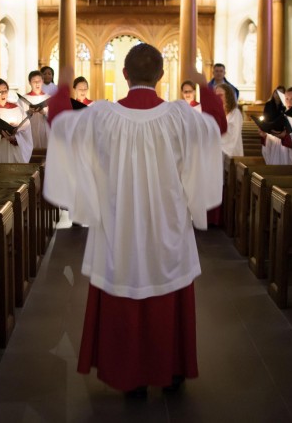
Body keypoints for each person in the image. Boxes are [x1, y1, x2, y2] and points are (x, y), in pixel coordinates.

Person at [44, 43, 227, 397]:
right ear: (161, 76)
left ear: (124, 75)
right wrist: (204, 86)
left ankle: (131, 377)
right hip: (167, 224)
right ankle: (172, 371)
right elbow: (216, 125)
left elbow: (60, 124)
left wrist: (63, 87)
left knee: (122, 285)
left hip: (119, 223)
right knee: (169, 287)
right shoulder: (180, 115)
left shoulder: (101, 115)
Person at [0, 78, 33, 163]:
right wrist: (0, 133)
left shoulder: (18, 109)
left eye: (5, 91)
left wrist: (15, 137)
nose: (3, 94)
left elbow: (26, 130)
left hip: (14, 149)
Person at [259, 87, 292, 166]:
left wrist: (286, 138)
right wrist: (265, 136)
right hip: (279, 156)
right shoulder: (282, 117)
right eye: (286, 99)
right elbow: (274, 141)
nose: (289, 102)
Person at [22, 70, 50, 148]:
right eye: (34, 81)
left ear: (43, 81)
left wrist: (45, 112)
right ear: (30, 82)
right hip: (29, 129)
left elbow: (55, 116)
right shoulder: (24, 99)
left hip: (44, 129)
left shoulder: (48, 98)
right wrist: (28, 112)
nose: (37, 83)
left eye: (39, 81)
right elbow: (18, 116)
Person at [216, 82, 243, 163]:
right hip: (219, 150)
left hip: (232, 152)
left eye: (220, 95)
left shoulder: (235, 113)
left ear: (228, 96)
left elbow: (233, 135)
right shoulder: (217, 112)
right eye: (216, 96)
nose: (218, 98)